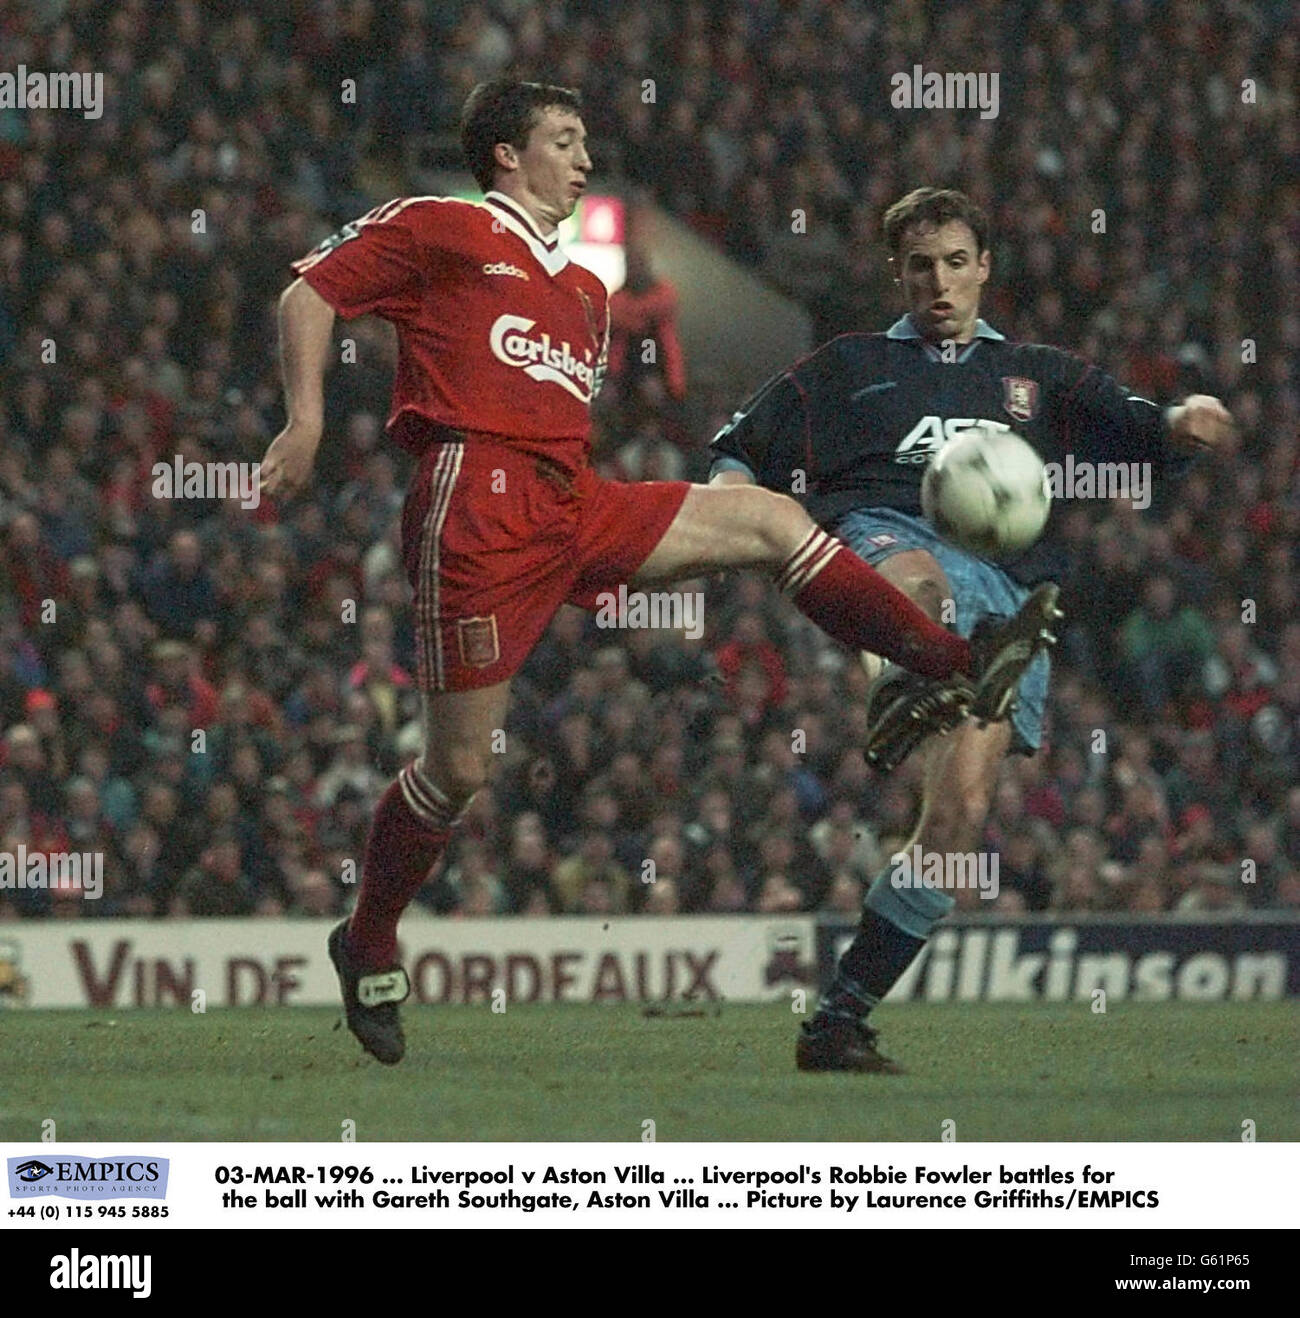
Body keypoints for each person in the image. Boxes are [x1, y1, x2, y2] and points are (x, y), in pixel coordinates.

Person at [261, 87, 1052, 1066]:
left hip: (573, 500)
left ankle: (944, 658)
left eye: (586, 139)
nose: (585, 157)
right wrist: (302, 422)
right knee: (458, 769)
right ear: (506, 154)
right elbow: (309, 292)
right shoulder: (444, 224)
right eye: (565, 140)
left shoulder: (584, 291)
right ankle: (369, 935)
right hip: (478, 506)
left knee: (769, 517)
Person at [709, 187, 1234, 1073]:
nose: (940, 282)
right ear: (897, 274)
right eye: (921, 266)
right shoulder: (848, 366)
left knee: (955, 829)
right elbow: (739, 440)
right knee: (919, 586)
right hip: (887, 537)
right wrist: (727, 490)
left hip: (1010, 594)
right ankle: (902, 685)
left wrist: (1185, 423)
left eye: (957, 262)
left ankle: (838, 1020)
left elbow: (1142, 433)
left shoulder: (1041, 375)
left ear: (985, 266)